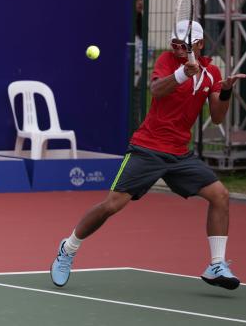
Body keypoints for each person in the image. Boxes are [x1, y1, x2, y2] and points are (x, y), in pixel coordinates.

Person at [50, 21, 244, 290]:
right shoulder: (167, 62)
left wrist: (225, 91)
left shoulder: (211, 72)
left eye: (183, 45)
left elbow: (218, 116)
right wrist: (182, 74)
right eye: (174, 44)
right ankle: (68, 248)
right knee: (112, 205)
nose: (177, 49)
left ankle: (216, 264)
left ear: (198, 45)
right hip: (148, 148)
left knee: (220, 196)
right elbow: (156, 90)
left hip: (180, 154)